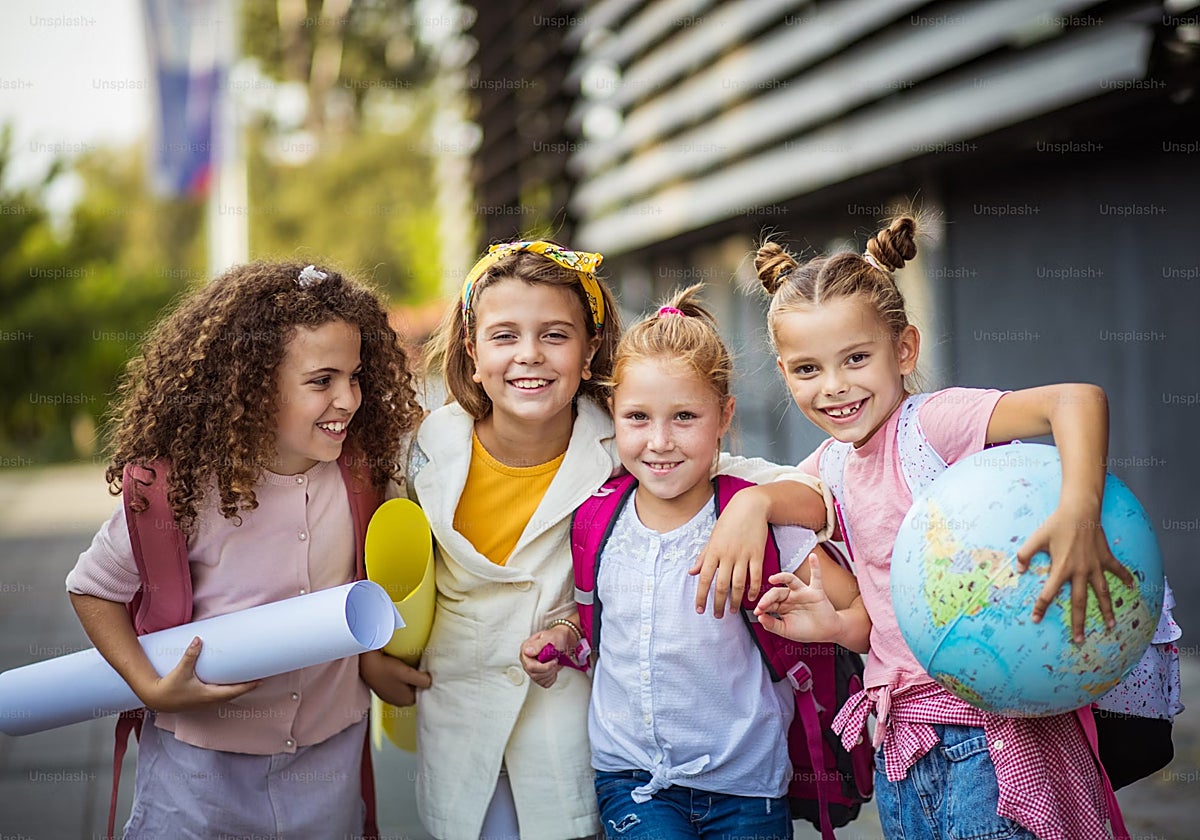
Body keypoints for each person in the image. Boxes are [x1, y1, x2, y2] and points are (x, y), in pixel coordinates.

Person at [411, 241, 830, 840]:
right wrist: (377, 656)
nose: (529, 354)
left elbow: (802, 491)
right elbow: (393, 562)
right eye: (504, 336)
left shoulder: (632, 441)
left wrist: (755, 505)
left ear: (588, 356)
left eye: (555, 335)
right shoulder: (429, 447)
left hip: (570, 730)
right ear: (471, 353)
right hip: (459, 717)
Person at [753, 216, 1137, 840]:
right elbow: (873, 622)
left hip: (992, 739)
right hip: (900, 744)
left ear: (904, 349)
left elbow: (1078, 399)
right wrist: (832, 626)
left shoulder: (931, 423)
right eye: (807, 369)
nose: (834, 387)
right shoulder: (825, 470)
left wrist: (1078, 511)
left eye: (856, 358)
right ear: (783, 371)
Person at [65, 261, 431, 839]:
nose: (348, 399)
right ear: (254, 387)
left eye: (356, 376)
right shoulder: (180, 491)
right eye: (322, 380)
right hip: (199, 774)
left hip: (328, 761)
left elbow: (360, 590)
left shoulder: (365, 476)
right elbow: (92, 589)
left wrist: (371, 659)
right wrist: (148, 685)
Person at [520, 285, 871, 840]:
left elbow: (855, 605)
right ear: (613, 413)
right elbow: (605, 627)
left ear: (724, 416)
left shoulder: (754, 511)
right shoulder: (594, 519)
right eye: (638, 417)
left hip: (748, 789)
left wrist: (827, 623)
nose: (659, 441)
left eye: (684, 416)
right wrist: (565, 638)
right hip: (631, 779)